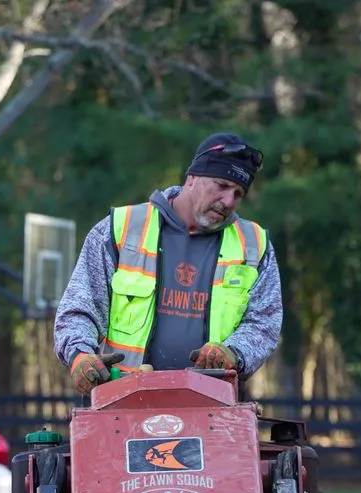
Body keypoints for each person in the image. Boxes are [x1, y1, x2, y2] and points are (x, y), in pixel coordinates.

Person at [54, 132, 283, 395]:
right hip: (121, 400)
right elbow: (80, 307)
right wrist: (79, 355)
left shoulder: (253, 246)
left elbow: (264, 323)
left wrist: (235, 352)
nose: (228, 201)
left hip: (215, 404)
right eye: (221, 185)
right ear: (191, 178)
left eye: (238, 193)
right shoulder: (121, 229)